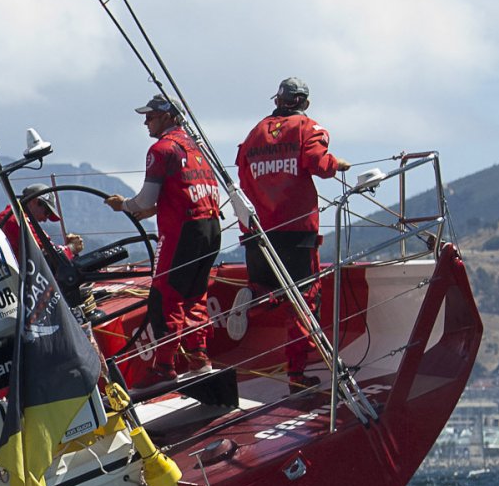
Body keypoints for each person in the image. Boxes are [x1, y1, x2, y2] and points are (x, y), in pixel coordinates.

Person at [236, 77, 351, 389]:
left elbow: (242, 172)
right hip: (297, 232)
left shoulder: (255, 133)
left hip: (259, 231)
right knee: (304, 301)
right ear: (305, 103)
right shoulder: (307, 127)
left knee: (269, 289)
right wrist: (337, 164)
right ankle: (296, 376)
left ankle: (254, 298)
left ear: (277, 101)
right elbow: (318, 163)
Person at [106, 95, 223, 376]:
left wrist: (124, 205)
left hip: (182, 231)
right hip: (211, 227)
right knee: (195, 294)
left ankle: (163, 366)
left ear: (168, 117)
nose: (146, 122)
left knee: (164, 295)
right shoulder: (198, 147)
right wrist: (157, 208)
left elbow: (145, 199)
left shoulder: (161, 149)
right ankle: (199, 357)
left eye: (151, 116)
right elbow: (186, 190)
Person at [0, 185, 82, 263]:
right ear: (34, 202)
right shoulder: (17, 220)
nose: (45, 219)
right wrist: (72, 248)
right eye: (47, 212)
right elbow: (50, 256)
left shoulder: (8, 216)